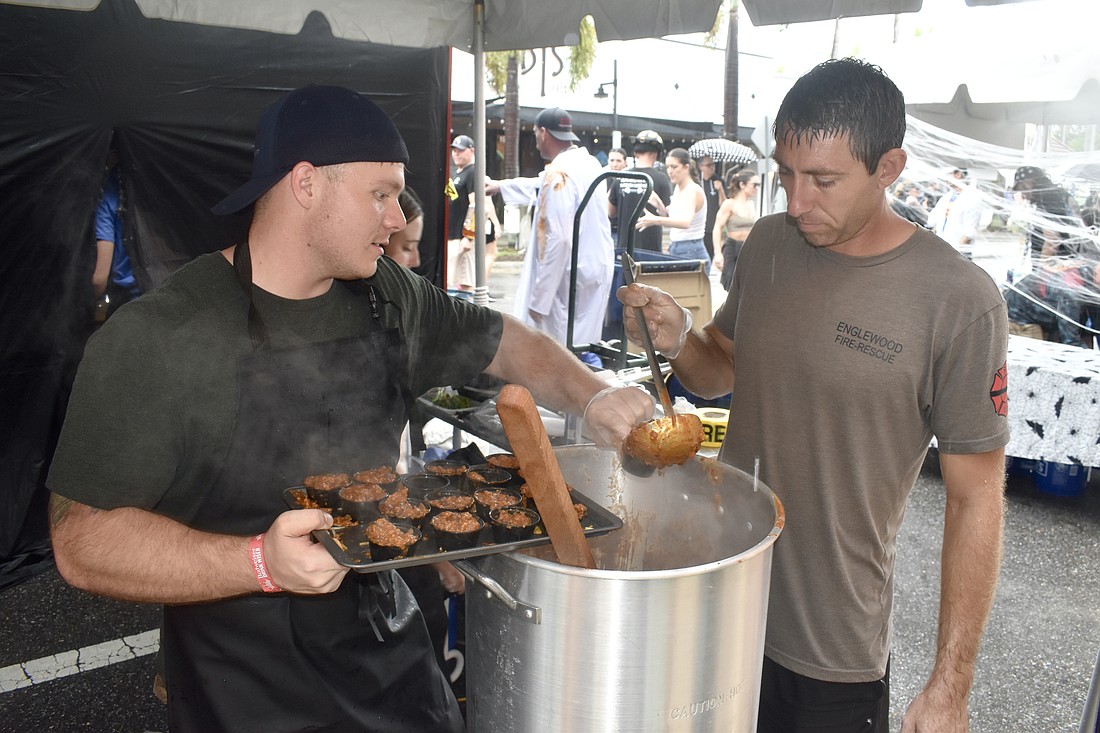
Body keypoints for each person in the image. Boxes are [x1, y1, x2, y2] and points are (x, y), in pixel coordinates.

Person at [47, 85, 654, 732]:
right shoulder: (160, 337)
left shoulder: (385, 296)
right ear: (305, 184)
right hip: (244, 688)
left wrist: (593, 396)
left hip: (387, 661)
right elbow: (83, 540)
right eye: (381, 194)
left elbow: (506, 341)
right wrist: (259, 560)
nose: (398, 218)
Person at [618, 59, 1008, 733]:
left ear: (889, 168)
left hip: (830, 648)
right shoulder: (770, 244)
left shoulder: (959, 300)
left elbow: (977, 497)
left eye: (823, 180)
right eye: (786, 173)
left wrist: (951, 684)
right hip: (717, 599)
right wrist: (677, 335)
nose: (796, 201)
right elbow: (722, 368)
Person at [486, 106, 614, 348]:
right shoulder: (587, 163)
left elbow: (559, 237)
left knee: (558, 350)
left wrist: (540, 299)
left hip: (568, 276)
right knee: (585, 344)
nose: (535, 142)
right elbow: (542, 185)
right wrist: (501, 186)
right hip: (595, 267)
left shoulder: (559, 172)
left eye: (535, 134)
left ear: (543, 133)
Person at [636, 147, 710, 274]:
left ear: (686, 167)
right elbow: (674, 217)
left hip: (691, 249)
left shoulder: (692, 190)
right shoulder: (678, 188)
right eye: (668, 167)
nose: (670, 171)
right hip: (679, 247)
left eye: (674, 167)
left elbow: (685, 222)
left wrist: (656, 220)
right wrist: (659, 206)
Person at [92, 156, 142, 320]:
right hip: (166, 293)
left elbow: (100, 278)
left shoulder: (108, 196)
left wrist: (90, 302)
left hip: (127, 305)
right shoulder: (159, 185)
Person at [445, 134, 497, 291]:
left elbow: (477, 205)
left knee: (464, 282)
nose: (456, 154)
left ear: (472, 151)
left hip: (463, 238)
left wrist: (468, 236)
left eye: (460, 150)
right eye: (454, 150)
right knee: (454, 281)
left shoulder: (473, 172)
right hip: (453, 235)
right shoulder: (459, 173)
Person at [609, 129, 672, 252]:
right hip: (651, 250)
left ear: (636, 153)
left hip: (625, 248)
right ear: (656, 154)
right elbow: (666, 216)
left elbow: (610, 212)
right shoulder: (661, 179)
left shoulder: (621, 177)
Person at [711, 168, 760, 290]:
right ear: (742, 184)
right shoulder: (729, 204)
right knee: (732, 285)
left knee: (750, 285)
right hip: (733, 248)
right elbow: (717, 228)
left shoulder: (751, 204)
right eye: (755, 185)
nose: (757, 188)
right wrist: (718, 253)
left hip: (749, 248)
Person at [926, 168, 985, 254]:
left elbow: (969, 231)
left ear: (958, 174)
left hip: (959, 252)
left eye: (947, 175)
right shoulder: (945, 198)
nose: (944, 179)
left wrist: (955, 255)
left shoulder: (972, 198)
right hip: (941, 249)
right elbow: (932, 220)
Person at [696, 154, 726, 260]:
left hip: (712, 226)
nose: (712, 167)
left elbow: (724, 205)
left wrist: (721, 190)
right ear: (701, 167)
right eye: (708, 165)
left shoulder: (718, 181)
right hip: (699, 226)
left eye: (713, 165)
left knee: (709, 256)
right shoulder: (696, 181)